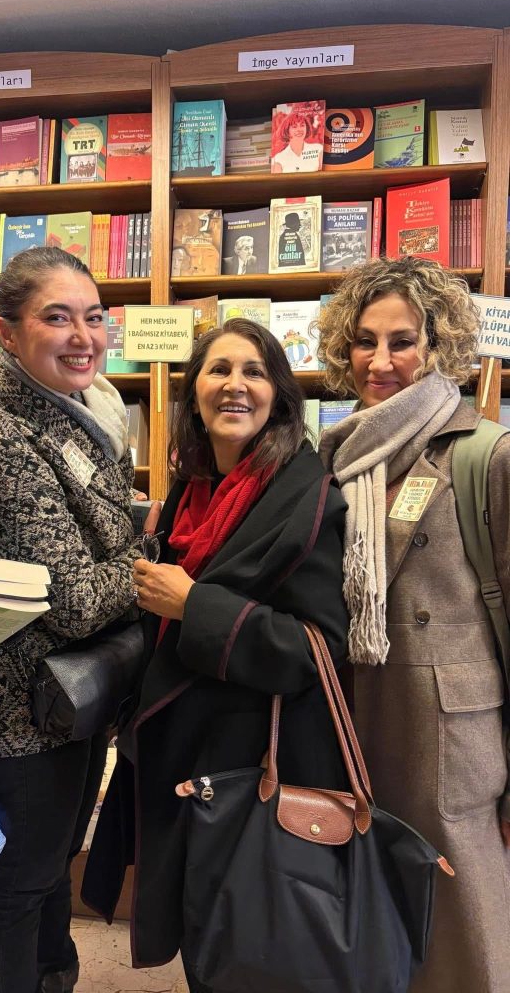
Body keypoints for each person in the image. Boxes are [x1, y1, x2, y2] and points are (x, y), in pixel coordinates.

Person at [83, 317, 349, 992]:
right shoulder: (192, 489)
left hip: (252, 759)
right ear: (195, 391)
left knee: (248, 942)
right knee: (204, 931)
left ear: (279, 395)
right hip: (187, 750)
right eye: (219, 370)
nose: (235, 385)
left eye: (254, 372)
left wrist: (193, 605)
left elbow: (314, 649)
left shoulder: (307, 495)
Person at [0, 245, 159, 993]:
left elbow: (94, 548)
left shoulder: (79, 413)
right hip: (22, 704)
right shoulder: (6, 440)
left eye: (93, 317)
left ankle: (54, 979)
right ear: (7, 334)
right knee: (22, 880)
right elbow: (73, 604)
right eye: (57, 318)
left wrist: (125, 549)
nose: (83, 336)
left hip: (70, 697)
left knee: (50, 867)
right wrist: (149, 560)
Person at [317, 256, 510, 993]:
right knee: (367, 917)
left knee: (462, 928)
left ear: (438, 346)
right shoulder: (336, 457)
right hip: (355, 717)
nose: (381, 362)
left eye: (402, 341)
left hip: (450, 739)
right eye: (365, 341)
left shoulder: (485, 454)